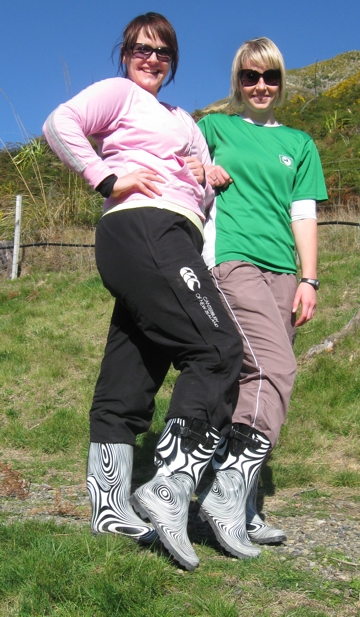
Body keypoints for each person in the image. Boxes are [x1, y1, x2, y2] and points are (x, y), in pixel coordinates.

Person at [43, 12, 243, 571]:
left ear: (174, 62)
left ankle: (109, 510)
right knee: (218, 350)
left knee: (132, 370)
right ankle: (170, 486)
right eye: (140, 48)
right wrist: (106, 178)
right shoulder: (119, 94)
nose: (150, 58)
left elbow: (198, 192)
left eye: (162, 52)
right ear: (125, 53)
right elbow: (60, 123)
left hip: (173, 237)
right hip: (143, 227)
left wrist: (207, 175)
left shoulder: (184, 119)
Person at [195, 37, 328, 559]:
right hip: (232, 261)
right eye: (250, 76)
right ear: (237, 81)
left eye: (269, 76)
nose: (260, 86)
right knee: (277, 369)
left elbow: (303, 215)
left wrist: (309, 279)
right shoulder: (213, 127)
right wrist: (199, 170)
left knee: (257, 379)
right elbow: (174, 166)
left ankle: (240, 501)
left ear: (280, 81)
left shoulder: (298, 142)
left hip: (282, 273)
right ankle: (225, 498)